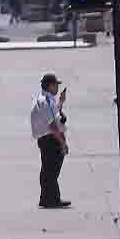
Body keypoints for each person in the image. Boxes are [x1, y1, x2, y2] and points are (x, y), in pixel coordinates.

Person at [30, 73, 70, 209]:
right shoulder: (45, 101)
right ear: (50, 85)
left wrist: (61, 103)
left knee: (48, 169)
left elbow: (54, 114)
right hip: (50, 139)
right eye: (56, 85)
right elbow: (52, 125)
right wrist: (62, 142)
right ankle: (51, 199)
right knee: (51, 170)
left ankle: (47, 198)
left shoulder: (45, 99)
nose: (57, 88)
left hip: (46, 138)